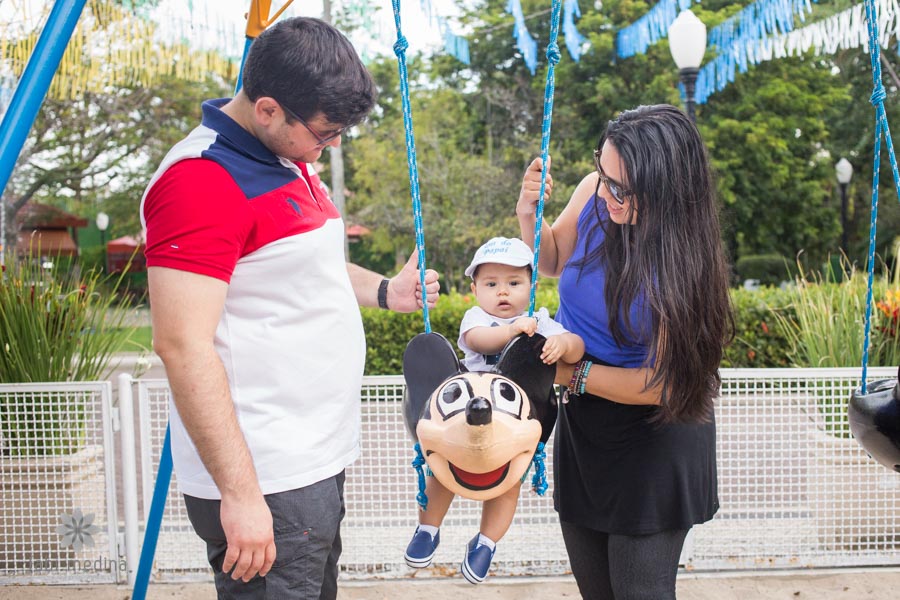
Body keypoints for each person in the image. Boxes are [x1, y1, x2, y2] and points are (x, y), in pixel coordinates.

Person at [140, 17, 439, 600]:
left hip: (310, 459)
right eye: (327, 133)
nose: (334, 145)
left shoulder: (286, 156)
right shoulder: (201, 181)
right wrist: (242, 494)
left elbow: (301, 267)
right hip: (267, 475)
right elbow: (182, 345)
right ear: (269, 109)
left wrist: (385, 292)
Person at [515, 104, 734, 600]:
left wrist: (572, 375)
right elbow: (550, 260)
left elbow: (668, 384)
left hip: (655, 435)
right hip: (587, 429)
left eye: (623, 188)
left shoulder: (686, 261)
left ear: (667, 187)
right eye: (604, 174)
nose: (608, 194)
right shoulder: (593, 193)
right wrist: (529, 215)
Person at [404, 236, 583, 584]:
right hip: (466, 421)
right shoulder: (477, 319)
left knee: (507, 483)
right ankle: (428, 528)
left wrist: (563, 343)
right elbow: (477, 341)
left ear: (531, 285)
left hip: (508, 426)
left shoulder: (540, 322)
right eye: (491, 284)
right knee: (442, 471)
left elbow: (577, 350)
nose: (503, 292)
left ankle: (486, 542)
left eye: (514, 283)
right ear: (474, 289)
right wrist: (512, 332)